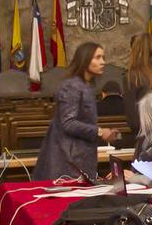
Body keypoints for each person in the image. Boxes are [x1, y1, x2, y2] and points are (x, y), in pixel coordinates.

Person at [32, 42, 121, 181]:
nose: (103, 62)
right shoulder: (71, 86)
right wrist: (99, 131)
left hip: (80, 158)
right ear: (85, 60)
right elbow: (68, 123)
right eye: (97, 58)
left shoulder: (87, 86)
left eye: (103, 57)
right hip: (67, 162)